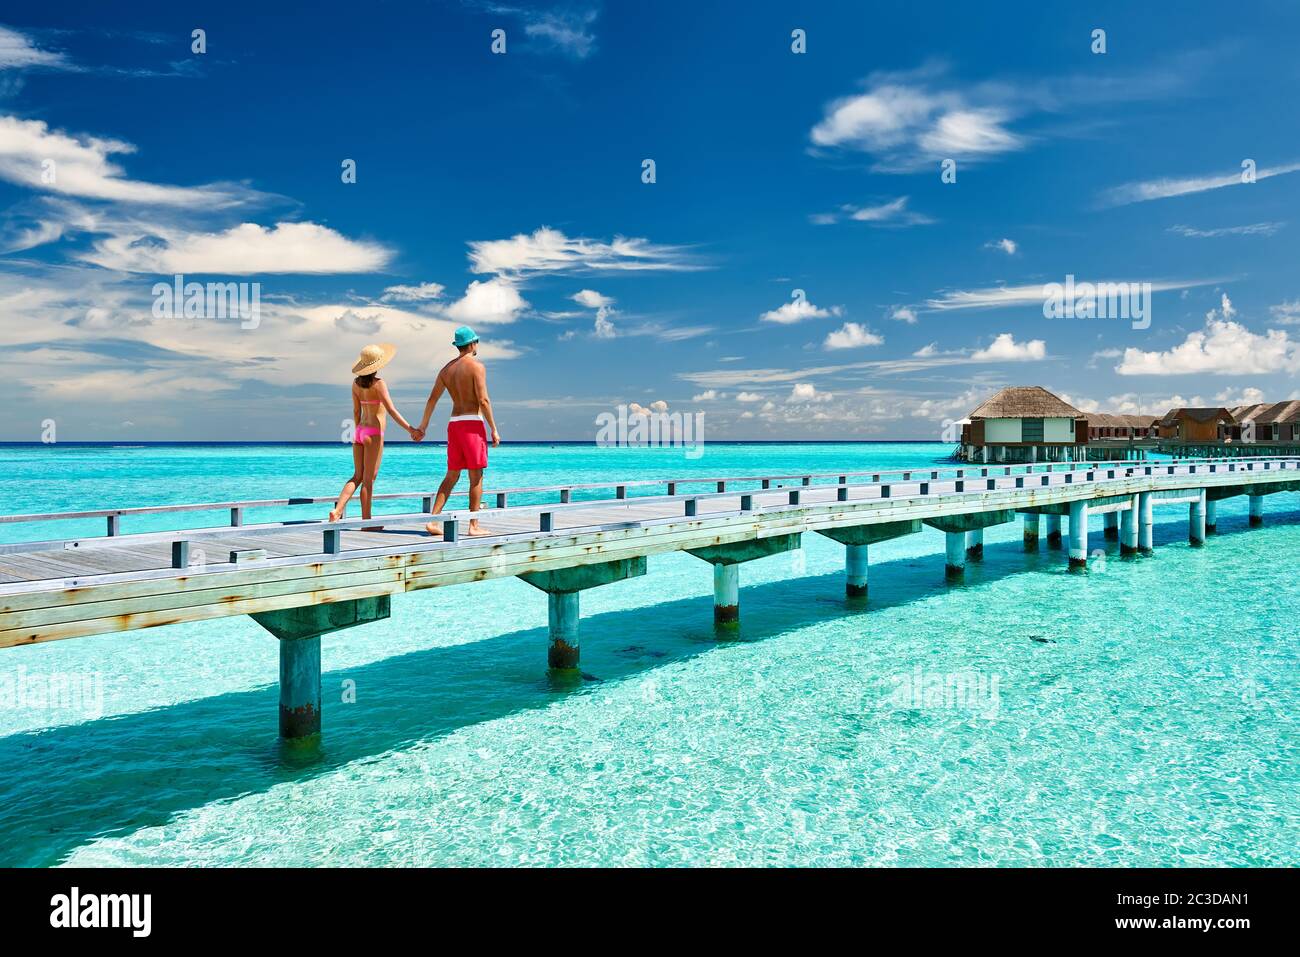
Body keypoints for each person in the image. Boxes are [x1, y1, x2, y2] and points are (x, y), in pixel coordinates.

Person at [416, 325, 501, 536]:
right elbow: (483, 399)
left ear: (458, 345)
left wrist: (423, 426)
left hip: (454, 424)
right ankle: (473, 525)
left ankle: (433, 521)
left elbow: (432, 399)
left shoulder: (446, 370)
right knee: (476, 476)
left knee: (452, 475)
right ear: (472, 344)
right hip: (472, 424)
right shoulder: (476, 366)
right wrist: (493, 428)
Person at [328, 343, 422, 529]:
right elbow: (392, 410)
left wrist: (357, 432)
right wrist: (411, 429)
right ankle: (367, 522)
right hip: (374, 433)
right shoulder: (379, 384)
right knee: (369, 480)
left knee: (357, 476)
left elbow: (356, 411)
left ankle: (337, 510)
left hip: (360, 431)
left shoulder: (355, 384)